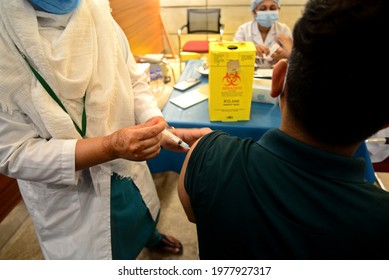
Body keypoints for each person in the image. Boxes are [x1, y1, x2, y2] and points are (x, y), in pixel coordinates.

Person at [178, 0, 389, 259]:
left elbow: (193, 211)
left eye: (272, 6)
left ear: (277, 81)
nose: (268, 12)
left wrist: (207, 152)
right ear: (385, 122)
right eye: (263, 7)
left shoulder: (206, 159)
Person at [0, 0, 210, 259]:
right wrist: (110, 146)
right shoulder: (5, 40)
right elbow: (13, 153)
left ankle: (150, 235)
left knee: (142, 210)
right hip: (71, 193)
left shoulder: (97, 11)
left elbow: (133, 79)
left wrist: (157, 125)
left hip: (128, 166)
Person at [233, 0, 292, 68]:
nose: (268, 12)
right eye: (263, 9)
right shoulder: (244, 30)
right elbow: (234, 53)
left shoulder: (283, 29)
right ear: (254, 12)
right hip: (251, 73)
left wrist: (286, 55)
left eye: (272, 8)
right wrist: (252, 50)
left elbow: (295, 57)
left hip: (276, 74)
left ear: (278, 10)